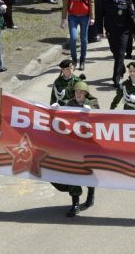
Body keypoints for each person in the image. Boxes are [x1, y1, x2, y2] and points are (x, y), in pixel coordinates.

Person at [51, 81, 98, 217]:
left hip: (88, 146)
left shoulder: (93, 102)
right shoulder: (69, 103)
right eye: (77, 92)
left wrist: (91, 111)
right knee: (73, 173)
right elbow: (61, 114)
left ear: (86, 94)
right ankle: (75, 204)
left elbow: (100, 118)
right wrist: (55, 109)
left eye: (81, 92)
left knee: (88, 173)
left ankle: (91, 193)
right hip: (72, 146)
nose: (79, 94)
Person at [102, 0, 134, 86]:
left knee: (120, 54)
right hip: (111, 31)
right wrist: (100, 31)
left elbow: (131, 17)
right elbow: (100, 16)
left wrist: (134, 32)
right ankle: (122, 69)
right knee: (115, 52)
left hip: (123, 32)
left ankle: (116, 78)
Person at [61, 0, 95, 71]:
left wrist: (92, 17)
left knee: (84, 39)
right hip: (73, 16)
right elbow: (65, 4)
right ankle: (74, 60)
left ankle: (82, 60)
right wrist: (63, 18)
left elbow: (91, 1)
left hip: (85, 16)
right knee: (74, 38)